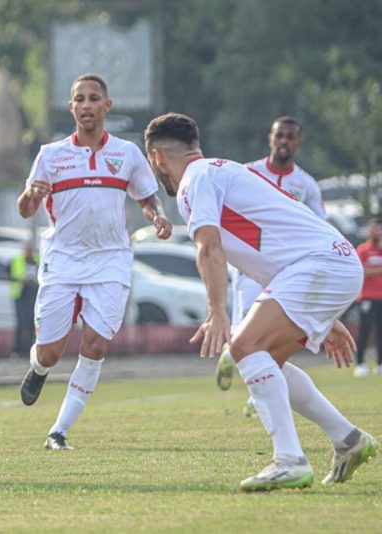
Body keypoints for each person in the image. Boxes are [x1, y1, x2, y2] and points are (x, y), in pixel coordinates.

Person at [143, 111, 378, 491]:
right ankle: (348, 439)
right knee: (264, 358)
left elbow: (208, 247)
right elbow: (269, 249)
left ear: (156, 157)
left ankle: (289, 460)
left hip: (319, 266)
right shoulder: (226, 170)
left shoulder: (194, 181)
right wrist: (327, 314)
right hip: (327, 264)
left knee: (244, 345)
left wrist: (217, 312)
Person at [17, 73, 172, 451]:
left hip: (110, 261)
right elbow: (25, 209)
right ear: (71, 107)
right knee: (51, 351)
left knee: (96, 346)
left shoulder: (127, 153)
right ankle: (39, 368)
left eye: (93, 99)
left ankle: (59, 432)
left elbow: (146, 197)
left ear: (107, 106)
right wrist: (30, 194)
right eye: (79, 99)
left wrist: (158, 216)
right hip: (63, 260)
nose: (86, 105)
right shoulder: (51, 155)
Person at [216, 117, 328, 419]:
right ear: (270, 138)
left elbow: (319, 224)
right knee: (247, 334)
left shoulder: (305, 184)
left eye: (291, 137)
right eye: (280, 135)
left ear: (298, 142)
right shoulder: (249, 172)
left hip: (286, 267)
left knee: (271, 335)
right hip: (250, 265)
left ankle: (258, 392)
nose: (284, 142)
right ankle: (237, 360)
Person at [353, 218, 382, 377]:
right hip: (368, 297)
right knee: (365, 331)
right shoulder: (363, 250)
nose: (378, 232)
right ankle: (360, 364)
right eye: (375, 229)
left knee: (381, 332)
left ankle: (380, 364)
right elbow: (362, 271)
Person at [9, 242, 39, 359]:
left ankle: (30, 349)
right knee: (21, 323)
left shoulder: (38, 260)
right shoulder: (17, 260)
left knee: (33, 322)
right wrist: (22, 280)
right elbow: (7, 275)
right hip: (20, 295)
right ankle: (18, 350)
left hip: (34, 295)